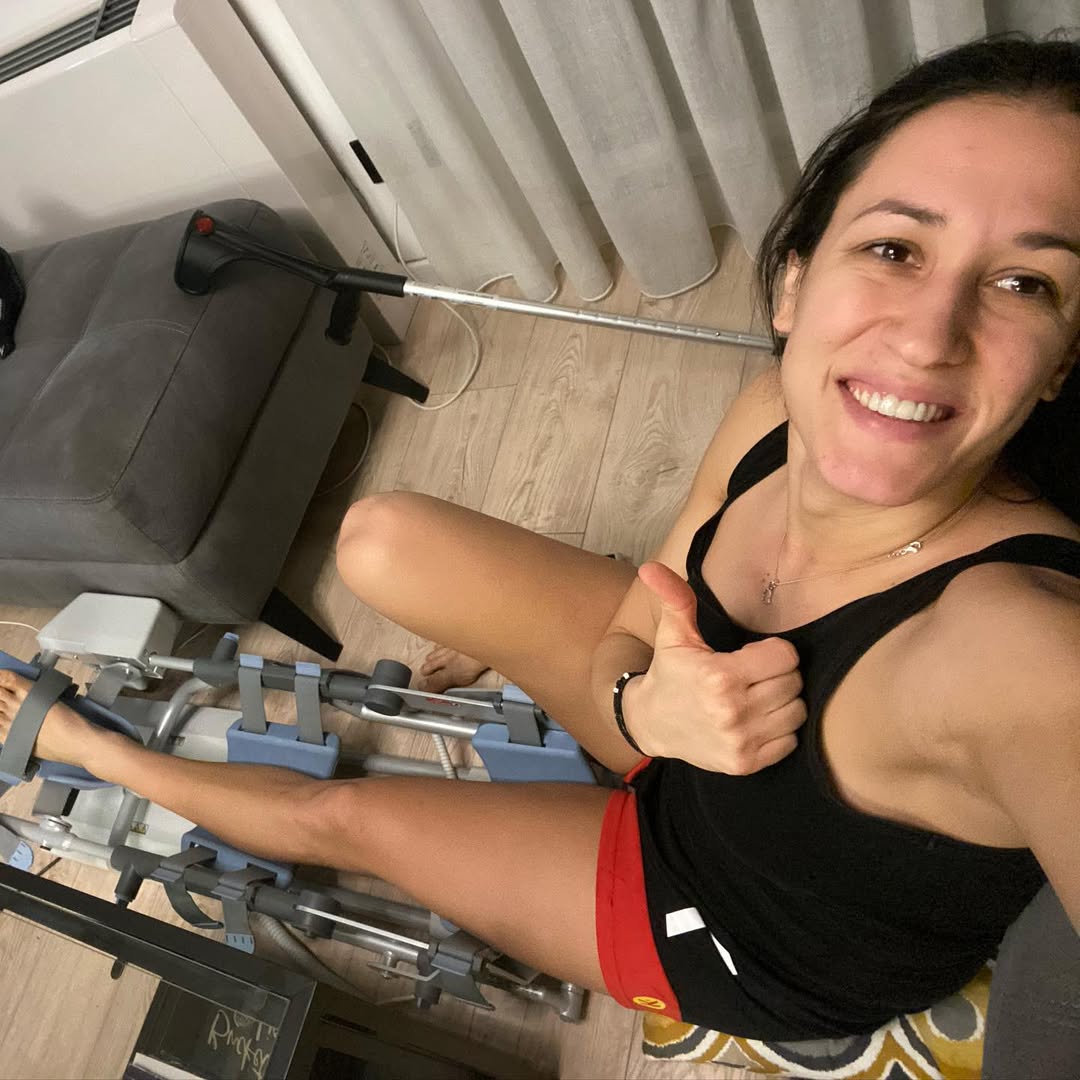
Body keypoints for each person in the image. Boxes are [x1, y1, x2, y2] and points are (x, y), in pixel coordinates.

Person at [1, 34, 1078, 1039]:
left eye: (1025, 283)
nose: (928, 338)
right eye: (894, 247)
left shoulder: (1024, 652)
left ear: (1064, 361)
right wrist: (641, 704)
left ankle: (91, 747)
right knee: (380, 539)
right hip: (666, 723)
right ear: (794, 282)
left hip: (729, 912)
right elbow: (636, 626)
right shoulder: (774, 412)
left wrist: (632, 688)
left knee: (343, 818)